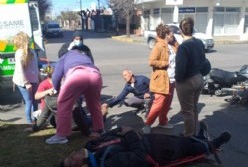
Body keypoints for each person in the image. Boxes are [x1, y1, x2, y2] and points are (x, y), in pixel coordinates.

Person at [60, 122, 231, 167]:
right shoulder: (108, 163)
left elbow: (112, 133)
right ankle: (212, 144)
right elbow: (139, 158)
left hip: (149, 140)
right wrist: (129, 134)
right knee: (185, 147)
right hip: (155, 151)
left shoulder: (92, 147)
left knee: (182, 140)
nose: (73, 154)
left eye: (69, 155)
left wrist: (121, 129)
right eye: (71, 159)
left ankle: (201, 138)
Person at [45, 45, 104, 145]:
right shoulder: (83, 55)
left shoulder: (64, 57)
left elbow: (56, 76)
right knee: (94, 104)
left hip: (77, 75)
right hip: (95, 74)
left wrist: (57, 88)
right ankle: (99, 129)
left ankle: (61, 135)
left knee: (63, 103)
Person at [143, 24, 176, 134]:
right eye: (172, 34)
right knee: (159, 103)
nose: (173, 35)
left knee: (167, 104)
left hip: (171, 79)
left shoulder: (170, 45)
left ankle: (163, 122)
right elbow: (151, 61)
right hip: (161, 80)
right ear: (166, 34)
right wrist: (165, 63)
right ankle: (147, 125)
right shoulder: (158, 46)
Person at [175, 17, 205, 137]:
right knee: (194, 108)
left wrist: (177, 80)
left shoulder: (183, 47)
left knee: (187, 111)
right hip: (199, 78)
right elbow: (203, 61)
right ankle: (193, 132)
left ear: (181, 31)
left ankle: (188, 135)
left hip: (187, 81)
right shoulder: (199, 42)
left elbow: (180, 69)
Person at [12, 31, 39, 124]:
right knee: (29, 101)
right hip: (23, 82)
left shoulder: (32, 51)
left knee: (35, 100)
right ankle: (29, 121)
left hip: (33, 80)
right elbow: (20, 70)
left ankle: (36, 120)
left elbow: (35, 66)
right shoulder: (19, 53)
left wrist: (38, 77)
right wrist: (26, 83)